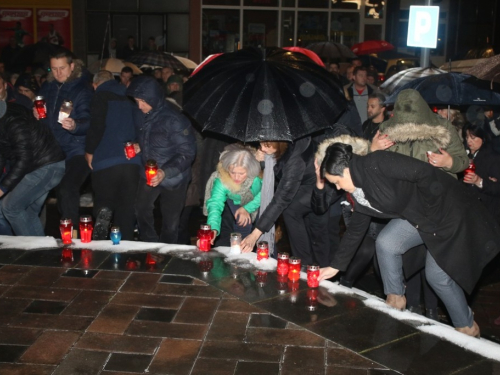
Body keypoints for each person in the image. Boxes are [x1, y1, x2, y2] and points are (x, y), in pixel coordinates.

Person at [316, 142, 500, 337]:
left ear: (345, 171)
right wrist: (335, 266)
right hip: (419, 218)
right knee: (387, 243)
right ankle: (395, 301)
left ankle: (467, 327)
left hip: (448, 214)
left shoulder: (377, 162)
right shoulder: (359, 191)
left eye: (336, 182)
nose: (337, 188)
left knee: (437, 277)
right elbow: (355, 230)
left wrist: (431, 214)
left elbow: (424, 173)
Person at [240, 137, 331, 268]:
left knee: (308, 221)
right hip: (302, 182)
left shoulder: (296, 158)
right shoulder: (284, 148)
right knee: (298, 216)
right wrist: (263, 162)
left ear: (280, 143)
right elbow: (279, 172)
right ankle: (306, 263)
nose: (262, 148)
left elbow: (282, 198)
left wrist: (255, 234)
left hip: (322, 184)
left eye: (267, 145)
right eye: (261, 144)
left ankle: (315, 269)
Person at [126, 76, 196, 243]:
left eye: (143, 101)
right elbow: (151, 138)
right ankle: (149, 244)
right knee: (141, 209)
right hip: (150, 171)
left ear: (154, 99)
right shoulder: (142, 114)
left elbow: (187, 153)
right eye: (137, 101)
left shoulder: (175, 119)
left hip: (174, 177)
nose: (139, 105)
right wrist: (139, 146)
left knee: (170, 222)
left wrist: (165, 172)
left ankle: (166, 253)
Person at [34, 49, 93, 237]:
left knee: (67, 188)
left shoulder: (82, 89)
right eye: (54, 69)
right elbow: (40, 112)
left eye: (62, 68)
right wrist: (35, 115)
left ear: (72, 66)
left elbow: (90, 120)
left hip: (76, 149)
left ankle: (73, 235)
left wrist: (76, 124)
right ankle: (33, 235)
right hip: (51, 150)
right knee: (35, 187)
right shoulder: (47, 88)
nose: (58, 73)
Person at [85, 70, 141, 240]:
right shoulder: (132, 97)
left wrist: (89, 151)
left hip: (106, 159)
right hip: (132, 161)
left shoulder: (100, 96)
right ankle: (126, 251)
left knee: (104, 200)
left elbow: (97, 126)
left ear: (95, 85)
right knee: (126, 209)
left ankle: (104, 211)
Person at [0, 100, 65, 236]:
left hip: (45, 166)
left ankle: (32, 252)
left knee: (11, 208)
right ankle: (39, 253)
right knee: (27, 212)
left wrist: (3, 188)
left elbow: (24, 158)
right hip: (40, 165)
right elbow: (2, 154)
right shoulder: (8, 112)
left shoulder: (14, 122)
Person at [204, 144, 262, 245]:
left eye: (241, 174)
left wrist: (247, 208)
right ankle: (237, 250)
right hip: (235, 198)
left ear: (250, 171)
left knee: (262, 228)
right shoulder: (222, 179)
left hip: (257, 199)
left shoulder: (257, 178)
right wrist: (212, 229)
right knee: (242, 222)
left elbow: (264, 195)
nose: (236, 177)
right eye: (233, 172)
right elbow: (215, 204)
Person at [462, 121, 500, 224]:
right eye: (467, 137)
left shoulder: (493, 157)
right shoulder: (465, 155)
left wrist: (479, 181)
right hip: (470, 210)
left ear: (482, 138)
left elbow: (497, 188)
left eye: (473, 138)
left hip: (488, 213)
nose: (469, 141)